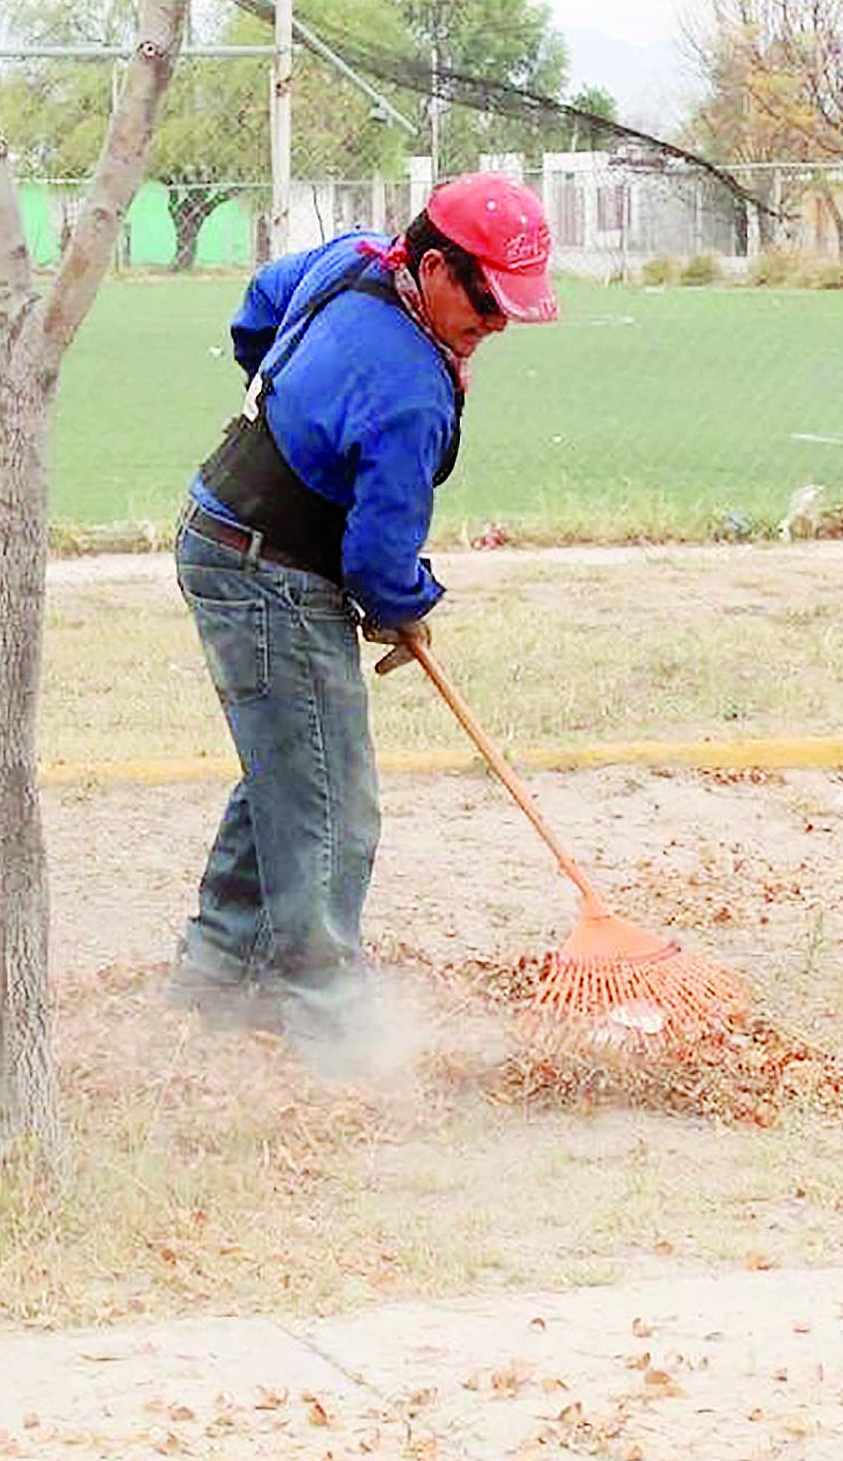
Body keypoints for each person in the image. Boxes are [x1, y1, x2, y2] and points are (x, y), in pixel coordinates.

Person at [169, 173, 559, 1065]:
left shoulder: (348, 260)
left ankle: (216, 976)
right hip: (269, 570)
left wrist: (294, 397)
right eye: (486, 302)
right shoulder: (413, 394)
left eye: (510, 310)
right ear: (430, 266)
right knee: (332, 801)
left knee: (288, 762)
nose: (494, 325)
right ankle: (328, 1021)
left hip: (217, 531)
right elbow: (378, 566)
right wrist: (407, 605)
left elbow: (257, 309)